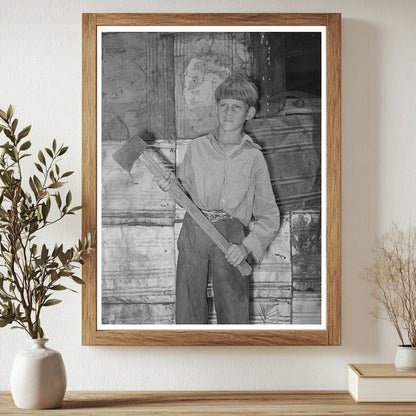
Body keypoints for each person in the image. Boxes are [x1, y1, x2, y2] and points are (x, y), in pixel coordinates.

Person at [157, 74, 280, 324]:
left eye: (237, 106)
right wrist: (170, 186)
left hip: (232, 239)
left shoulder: (254, 158)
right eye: (223, 105)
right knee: (188, 309)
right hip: (194, 232)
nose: (228, 111)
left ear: (250, 113)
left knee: (234, 312)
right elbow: (185, 195)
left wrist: (246, 247)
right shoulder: (197, 148)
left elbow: (269, 216)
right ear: (216, 108)